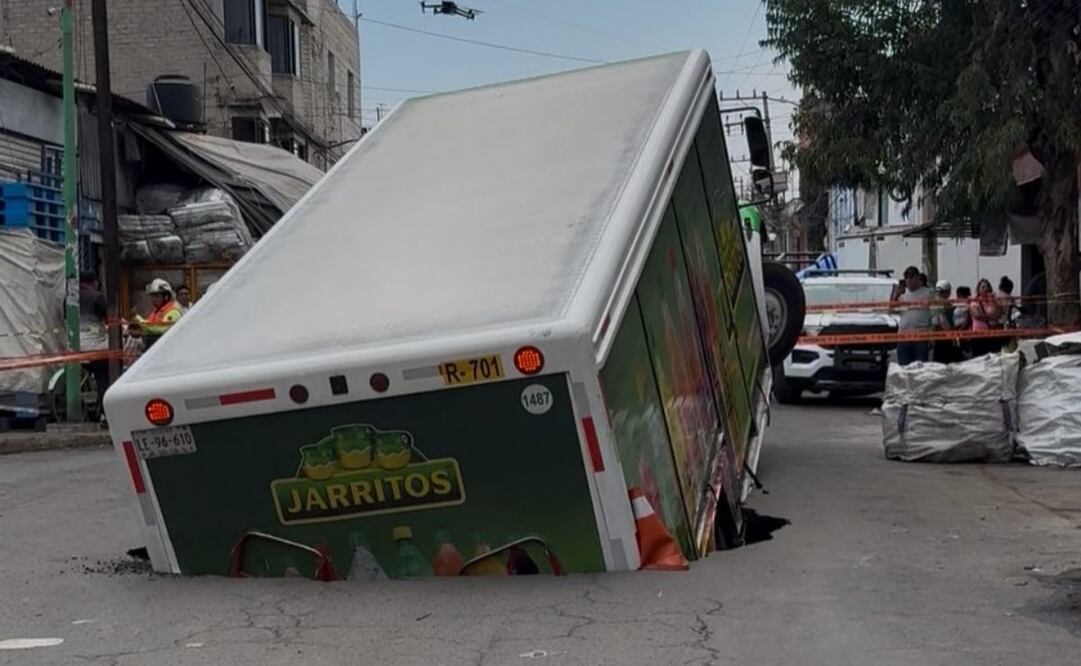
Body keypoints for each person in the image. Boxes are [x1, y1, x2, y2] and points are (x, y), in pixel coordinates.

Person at [78, 272, 110, 418]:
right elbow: (108, 318)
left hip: (76, 348)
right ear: (94, 282)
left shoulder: (69, 299)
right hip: (96, 347)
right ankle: (104, 411)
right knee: (103, 376)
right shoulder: (97, 297)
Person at [891, 265, 933, 366]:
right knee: (904, 367)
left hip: (921, 336)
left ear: (918, 278)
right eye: (907, 278)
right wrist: (895, 295)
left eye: (911, 277)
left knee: (920, 367)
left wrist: (932, 336)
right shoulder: (902, 296)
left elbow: (934, 315)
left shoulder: (928, 294)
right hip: (903, 336)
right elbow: (891, 311)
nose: (909, 280)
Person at [132, 278, 182, 350]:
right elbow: (150, 329)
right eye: (152, 296)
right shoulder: (155, 312)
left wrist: (140, 321)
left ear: (166, 297)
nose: (153, 299)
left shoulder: (173, 311)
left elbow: (161, 329)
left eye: (156, 296)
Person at [969, 278, 1003, 356]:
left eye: (987, 287)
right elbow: (978, 315)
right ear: (978, 289)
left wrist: (993, 300)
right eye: (983, 287)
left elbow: (998, 314)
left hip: (992, 334)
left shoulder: (993, 301)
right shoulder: (975, 302)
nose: (986, 289)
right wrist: (992, 317)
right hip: (979, 335)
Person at [930, 280, 957, 363]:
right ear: (947, 291)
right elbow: (942, 320)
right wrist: (952, 335)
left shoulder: (933, 302)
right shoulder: (945, 303)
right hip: (945, 335)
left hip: (935, 334)